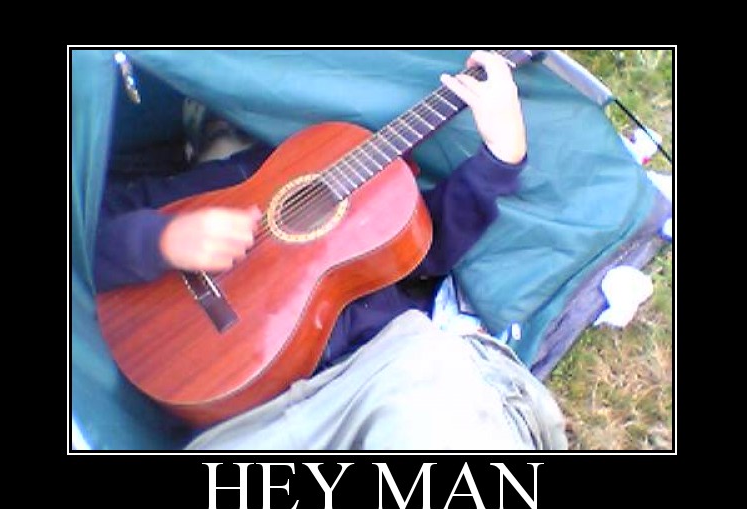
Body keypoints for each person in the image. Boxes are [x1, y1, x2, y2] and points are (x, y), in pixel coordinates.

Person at [95, 50, 568, 451]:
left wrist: (500, 160)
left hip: (382, 376)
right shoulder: (222, 182)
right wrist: (159, 240)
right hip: (243, 422)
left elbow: (424, 246)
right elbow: (83, 238)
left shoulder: (331, 160)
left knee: (440, 404)